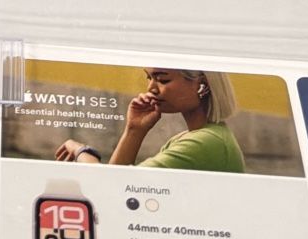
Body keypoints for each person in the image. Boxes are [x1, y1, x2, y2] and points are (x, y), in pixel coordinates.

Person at [56, 68, 245, 174]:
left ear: (202, 84)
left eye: (162, 80)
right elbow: (116, 189)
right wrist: (134, 130)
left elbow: (114, 186)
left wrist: (81, 152)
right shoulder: (197, 137)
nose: (151, 88)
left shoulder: (205, 143)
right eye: (149, 78)